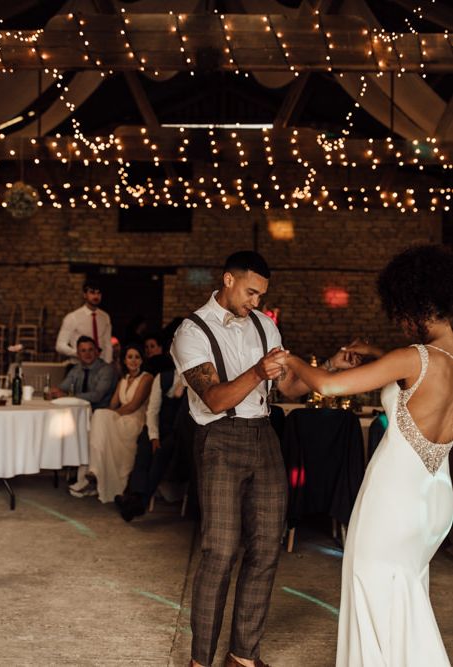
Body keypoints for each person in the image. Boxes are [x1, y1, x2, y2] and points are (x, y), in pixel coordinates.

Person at [171, 250, 351, 667]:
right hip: (218, 439)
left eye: (261, 294)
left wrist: (326, 367)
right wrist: (256, 371)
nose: (256, 301)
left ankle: (242, 658)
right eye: (251, 292)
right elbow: (214, 399)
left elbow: (286, 389)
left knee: (267, 549)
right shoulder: (191, 331)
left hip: (265, 436)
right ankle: (200, 661)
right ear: (228, 280)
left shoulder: (265, 324)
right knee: (219, 552)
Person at [283, 244, 453, 666]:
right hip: (434, 500)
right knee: (404, 592)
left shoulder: (413, 358)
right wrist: (379, 355)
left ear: (417, 304)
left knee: (370, 587)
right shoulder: (432, 360)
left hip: (391, 498)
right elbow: (425, 382)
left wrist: (289, 358)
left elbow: (331, 385)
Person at [70, 344, 153, 501]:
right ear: (124, 360)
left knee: (101, 416)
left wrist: (109, 416)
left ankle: (94, 471)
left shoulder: (147, 378)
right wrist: (105, 417)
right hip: (120, 418)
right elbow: (113, 404)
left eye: (137, 357)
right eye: (130, 357)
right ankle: (94, 472)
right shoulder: (124, 379)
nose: (133, 361)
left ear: (142, 360)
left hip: (135, 421)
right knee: (98, 419)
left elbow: (133, 405)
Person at [115, 366, 188, 521]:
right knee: (144, 448)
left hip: (181, 431)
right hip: (159, 426)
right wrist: (154, 436)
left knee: (161, 453)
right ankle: (135, 499)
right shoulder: (162, 377)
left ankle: (139, 501)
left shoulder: (196, 377)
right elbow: (153, 410)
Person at [50, 336, 116, 410]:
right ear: (78, 354)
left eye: (90, 350)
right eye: (83, 351)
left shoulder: (106, 370)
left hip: (100, 412)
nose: (87, 354)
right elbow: (63, 387)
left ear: (96, 352)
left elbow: (97, 396)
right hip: (78, 411)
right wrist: (55, 391)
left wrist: (69, 396)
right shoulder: (76, 369)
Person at [56, 282, 113, 364]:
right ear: (85, 295)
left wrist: (107, 363)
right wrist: (79, 353)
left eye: (98, 293)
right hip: (79, 365)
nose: (96, 296)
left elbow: (107, 344)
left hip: (100, 365)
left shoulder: (105, 317)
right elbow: (60, 345)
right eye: (92, 293)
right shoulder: (72, 317)